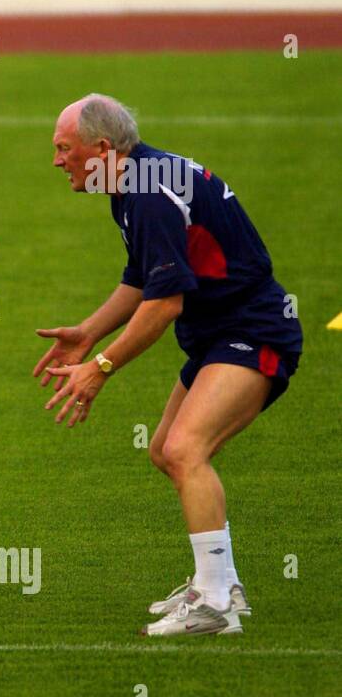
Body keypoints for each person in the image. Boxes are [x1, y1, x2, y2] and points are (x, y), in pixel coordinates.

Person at [35, 94, 301, 636]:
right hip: (219, 335)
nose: (58, 160)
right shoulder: (132, 181)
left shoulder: (148, 194)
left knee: (185, 450)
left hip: (252, 333)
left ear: (102, 148)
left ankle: (216, 605)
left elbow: (164, 305)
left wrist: (101, 367)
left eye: (65, 149)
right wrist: (89, 333)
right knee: (164, 450)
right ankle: (220, 583)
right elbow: (142, 279)